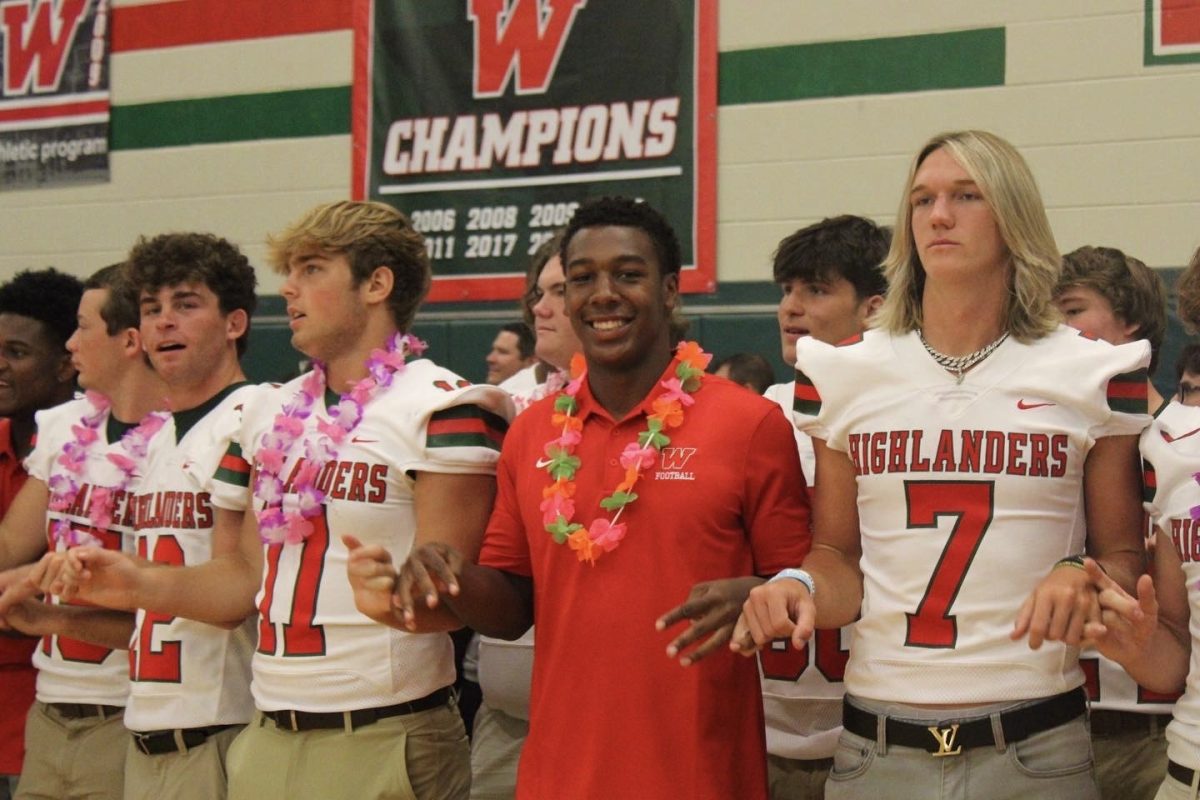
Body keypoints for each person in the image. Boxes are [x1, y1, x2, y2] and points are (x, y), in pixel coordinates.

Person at [348, 196, 812, 799]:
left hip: (701, 772)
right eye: (582, 278)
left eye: (628, 274)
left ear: (670, 291)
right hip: (558, 774)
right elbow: (514, 605)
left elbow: (804, 584)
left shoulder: (749, 425)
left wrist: (758, 593)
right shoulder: (533, 431)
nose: (603, 294)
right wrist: (454, 577)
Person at [735, 130, 1150, 799]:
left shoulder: (1092, 369)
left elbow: (1123, 553)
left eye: (965, 196)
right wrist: (799, 588)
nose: (938, 215)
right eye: (922, 198)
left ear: (1013, 215)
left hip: (1035, 748)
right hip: (877, 746)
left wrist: (1079, 572)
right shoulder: (843, 370)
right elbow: (837, 556)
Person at [59, 201, 511, 800]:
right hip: (268, 731)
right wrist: (134, 583)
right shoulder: (264, 411)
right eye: (290, 270)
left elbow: (451, 603)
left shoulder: (444, 405)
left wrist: (394, 597)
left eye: (312, 269)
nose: (289, 289)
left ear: (377, 284)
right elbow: (241, 577)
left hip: (384, 728)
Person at [37, 233, 262, 800]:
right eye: (152, 309)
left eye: (185, 305)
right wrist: (56, 611)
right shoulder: (153, 439)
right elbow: (146, 616)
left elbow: (237, 592)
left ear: (234, 323)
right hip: (144, 723)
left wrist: (133, 580)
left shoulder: (258, 418)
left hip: (222, 723)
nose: (164, 323)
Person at [0, 264, 166, 800]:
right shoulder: (63, 427)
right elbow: (8, 546)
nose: (71, 345)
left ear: (129, 341)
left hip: (129, 707)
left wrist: (51, 612)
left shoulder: (187, 440)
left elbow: (175, 605)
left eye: (82, 327)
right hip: (51, 705)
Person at [758, 215, 888, 800]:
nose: (791, 307)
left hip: (877, 721)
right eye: (786, 289)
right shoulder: (755, 416)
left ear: (873, 308)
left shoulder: (909, 417)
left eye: (815, 289)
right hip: (763, 721)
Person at [1052, 243, 1173, 799]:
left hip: (1159, 731)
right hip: (1051, 724)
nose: (1055, 328)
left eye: (1072, 310)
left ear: (1131, 323)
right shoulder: (1039, 444)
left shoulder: (1181, 444)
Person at [1082, 242, 1200, 800]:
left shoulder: (1168, 440)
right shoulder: (1177, 452)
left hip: (1153, 738)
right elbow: (1174, 646)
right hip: (1182, 760)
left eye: (1072, 309)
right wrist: (1136, 645)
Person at [470, 231, 583, 800]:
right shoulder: (502, 402)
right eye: (538, 292)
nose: (540, 308)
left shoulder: (669, 406)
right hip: (506, 709)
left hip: (608, 716)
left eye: (560, 290)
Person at [0, 267, 83, 799]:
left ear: (66, 361)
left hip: (52, 717)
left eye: (17, 351)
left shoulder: (99, 454)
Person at [1055, 245, 1169, 413]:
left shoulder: (1188, 435)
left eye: (1073, 311)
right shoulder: (1044, 429)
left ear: (1130, 318)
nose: (1055, 326)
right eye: (1049, 315)